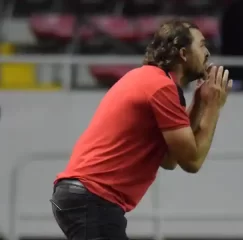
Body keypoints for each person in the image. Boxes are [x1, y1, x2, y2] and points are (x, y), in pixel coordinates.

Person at [50, 19, 232, 240]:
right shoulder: (162, 88)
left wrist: (201, 103)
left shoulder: (151, 80)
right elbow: (192, 161)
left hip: (83, 197)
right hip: (93, 198)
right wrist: (214, 106)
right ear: (183, 54)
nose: (208, 53)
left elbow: (169, 159)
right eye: (202, 45)